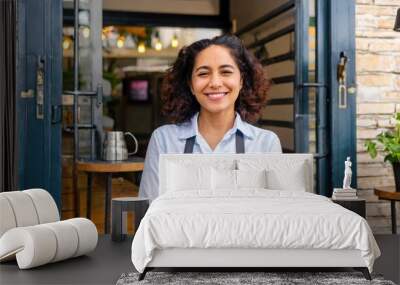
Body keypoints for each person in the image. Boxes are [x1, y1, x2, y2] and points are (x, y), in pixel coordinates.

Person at [139, 34, 282, 201]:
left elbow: (273, 215)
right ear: (191, 84)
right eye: (203, 73)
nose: (215, 82)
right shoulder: (164, 140)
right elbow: (149, 210)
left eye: (226, 72)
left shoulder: (265, 144)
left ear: (241, 80)